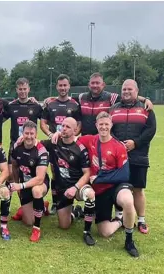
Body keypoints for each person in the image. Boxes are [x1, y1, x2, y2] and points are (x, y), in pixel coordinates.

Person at [75, 72, 153, 220]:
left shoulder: (117, 99)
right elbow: (65, 98)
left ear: (103, 84)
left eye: (98, 83)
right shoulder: (86, 99)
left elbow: (150, 129)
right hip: (99, 148)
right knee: (105, 181)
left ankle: (136, 219)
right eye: (93, 83)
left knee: (134, 187)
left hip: (130, 152)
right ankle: (104, 213)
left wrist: (145, 99)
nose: (95, 85)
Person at [78, 112, 139, 257]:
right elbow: (72, 139)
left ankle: (129, 241)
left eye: (106, 124)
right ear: (96, 125)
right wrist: (56, 135)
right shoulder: (90, 140)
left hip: (116, 186)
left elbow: (124, 174)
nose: (104, 127)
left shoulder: (118, 146)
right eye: (101, 124)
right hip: (100, 192)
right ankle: (120, 220)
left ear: (111, 125)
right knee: (104, 232)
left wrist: (100, 178)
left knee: (128, 200)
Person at [110, 79, 156, 234]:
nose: (126, 92)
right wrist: (118, 145)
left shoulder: (145, 108)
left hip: (139, 157)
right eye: (124, 89)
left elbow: (150, 130)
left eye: (129, 89)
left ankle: (141, 220)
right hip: (118, 157)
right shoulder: (113, 109)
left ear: (137, 91)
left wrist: (135, 143)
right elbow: (108, 130)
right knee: (118, 187)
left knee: (138, 189)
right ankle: (119, 217)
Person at [41, 117, 96, 246]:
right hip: (62, 189)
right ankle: (76, 212)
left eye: (68, 127)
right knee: (64, 225)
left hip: (77, 187)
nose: (63, 129)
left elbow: (87, 173)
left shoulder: (80, 148)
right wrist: (22, 139)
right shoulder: (54, 142)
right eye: (62, 126)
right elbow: (36, 144)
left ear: (75, 130)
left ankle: (87, 232)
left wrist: (75, 188)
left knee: (90, 194)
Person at [4, 78, 45, 222]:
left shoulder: (35, 105)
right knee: (12, 175)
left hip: (32, 147)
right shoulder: (11, 106)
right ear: (17, 90)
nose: (22, 91)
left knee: (32, 173)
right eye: (20, 89)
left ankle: (37, 204)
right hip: (15, 147)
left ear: (29, 89)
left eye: (24, 89)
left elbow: (47, 118)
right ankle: (17, 203)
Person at [41, 74, 82, 215]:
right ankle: (55, 202)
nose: (63, 88)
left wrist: (74, 136)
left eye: (65, 85)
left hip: (70, 145)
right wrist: (50, 135)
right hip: (55, 145)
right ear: (57, 86)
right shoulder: (50, 103)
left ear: (69, 86)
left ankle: (71, 202)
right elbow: (43, 122)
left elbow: (79, 123)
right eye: (60, 85)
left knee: (70, 172)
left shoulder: (75, 104)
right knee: (55, 173)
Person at [9, 121, 50, 242]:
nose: (29, 136)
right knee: (28, 221)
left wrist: (20, 185)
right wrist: (17, 186)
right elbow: (15, 167)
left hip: (39, 184)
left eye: (32, 133)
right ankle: (42, 207)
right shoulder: (17, 147)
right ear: (22, 134)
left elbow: (40, 178)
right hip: (24, 185)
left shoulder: (41, 151)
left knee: (36, 191)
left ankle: (36, 229)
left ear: (36, 134)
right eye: (26, 133)